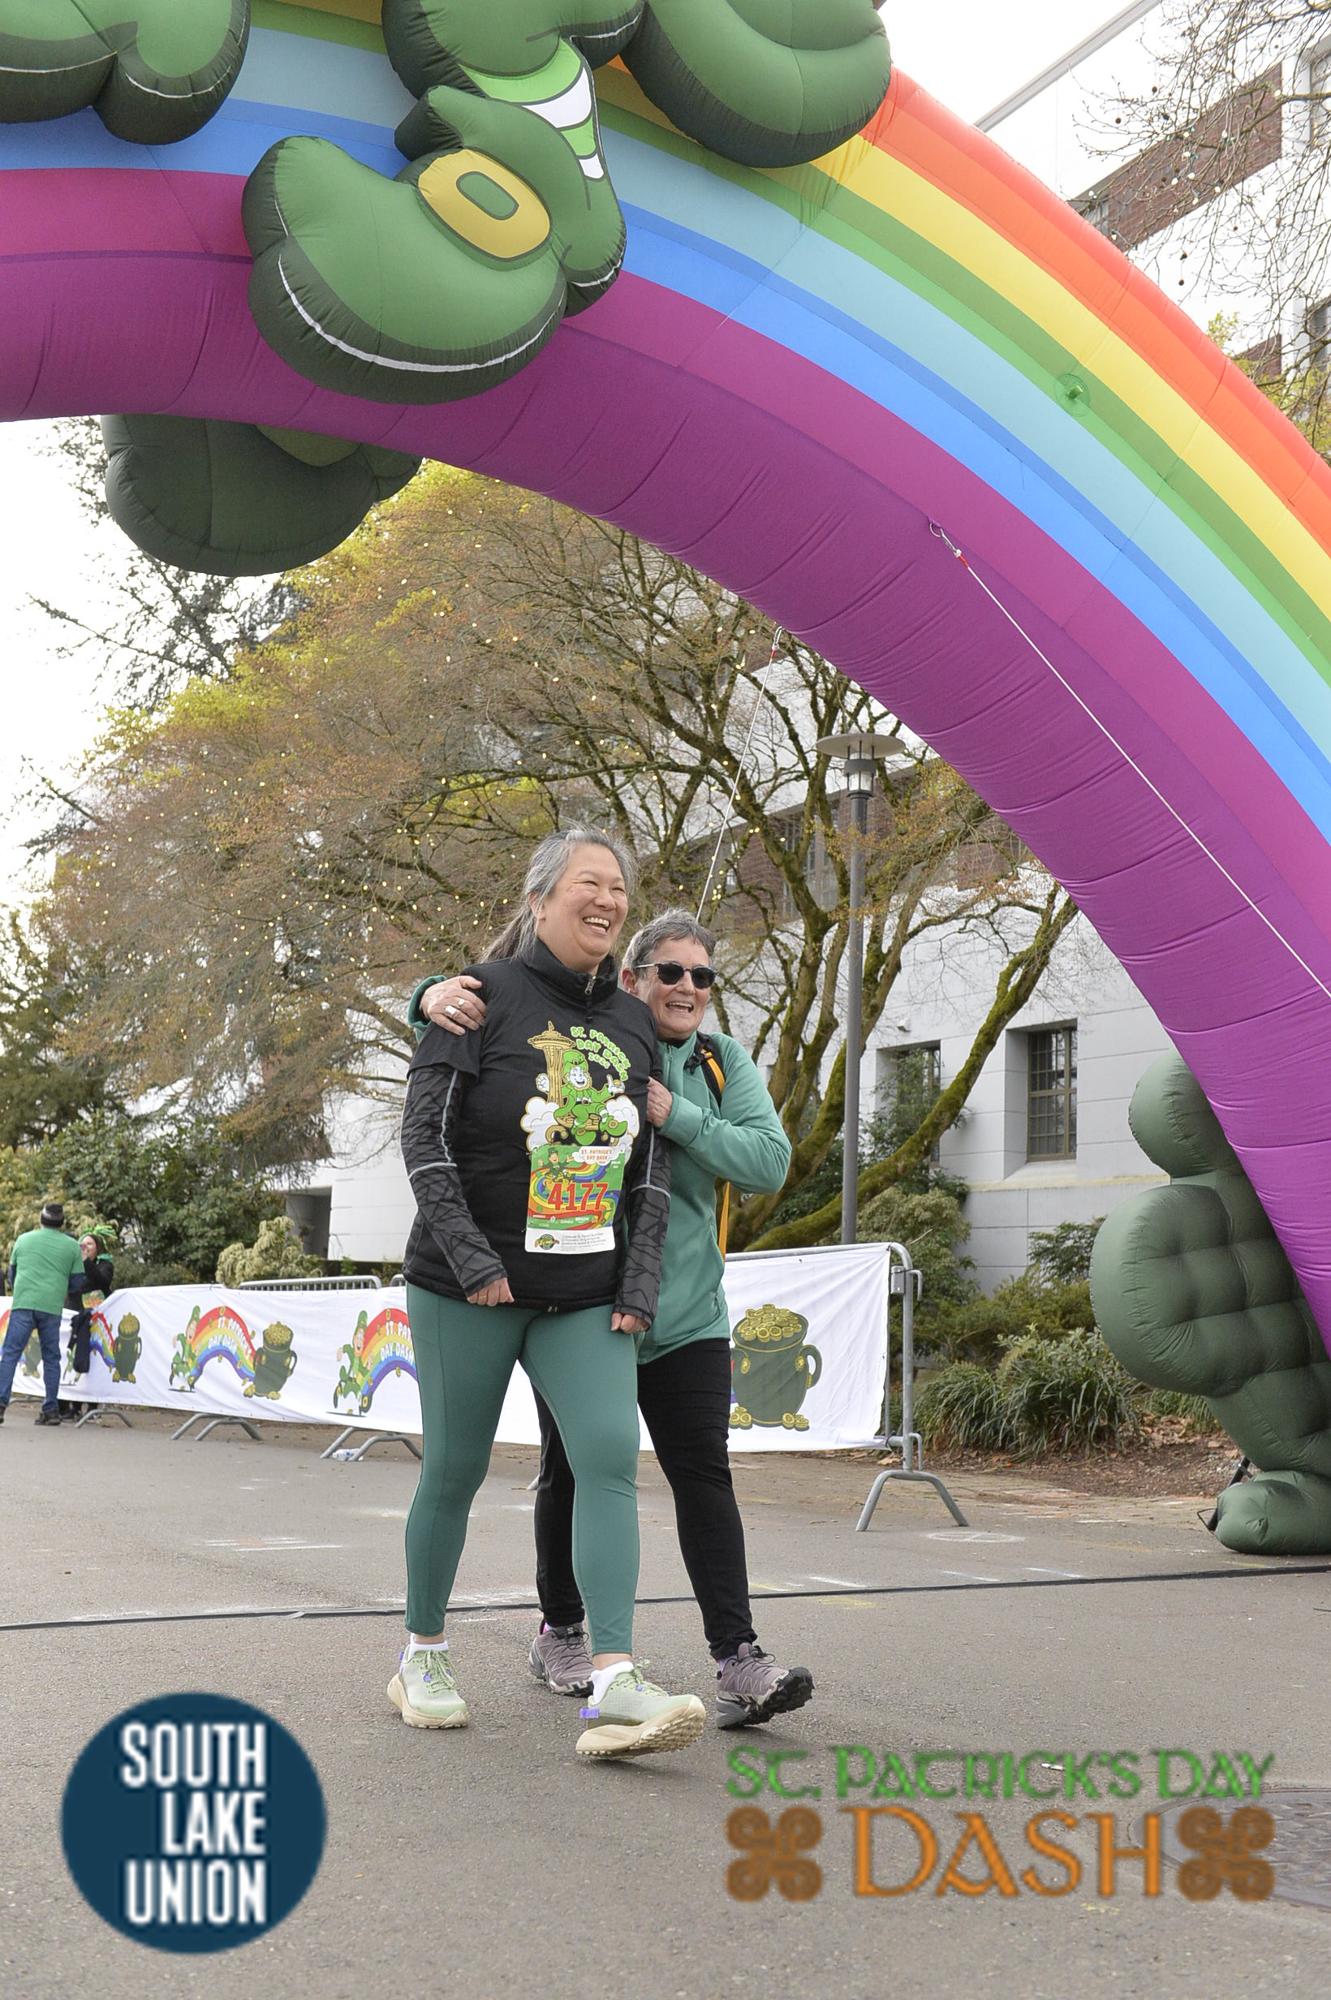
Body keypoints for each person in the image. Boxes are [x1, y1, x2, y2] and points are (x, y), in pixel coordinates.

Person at [413, 909, 816, 1730]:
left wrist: (679, 1114)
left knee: (700, 1475)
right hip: (582, 1300)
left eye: (702, 976)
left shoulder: (716, 1062)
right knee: (570, 1469)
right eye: (670, 972)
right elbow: (493, 1024)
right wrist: (424, 994)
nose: (687, 988)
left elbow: (768, 1161)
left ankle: (736, 1657)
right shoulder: (594, 1037)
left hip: (682, 1315)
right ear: (631, 980)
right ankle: (560, 1632)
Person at [394, 828, 704, 1760]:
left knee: (608, 1460)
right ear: (538, 900)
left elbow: (649, 1168)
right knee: (454, 1469)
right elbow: (424, 1139)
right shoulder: (475, 999)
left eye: (617, 887)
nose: (606, 900)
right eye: (587, 884)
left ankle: (613, 1679)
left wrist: (637, 1284)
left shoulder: (634, 1021)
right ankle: (422, 1654)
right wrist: (473, 1261)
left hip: (585, 1292)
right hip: (469, 1289)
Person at [0, 1201, 87, 1427]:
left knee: (10, 1354)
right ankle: (51, 1410)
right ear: (62, 1223)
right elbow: (78, 1283)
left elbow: (12, 1274)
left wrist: (23, 1289)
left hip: (24, 1303)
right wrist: (59, 1288)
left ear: (41, 1219)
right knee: (51, 1358)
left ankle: (0, 1404)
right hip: (51, 1307)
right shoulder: (72, 1247)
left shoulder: (23, 1240)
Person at [65, 1232, 115, 1416]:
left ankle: (93, 1406)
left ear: (97, 1247)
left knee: (94, 1358)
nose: (85, 1247)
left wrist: (86, 1261)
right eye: (82, 1244)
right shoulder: (74, 1265)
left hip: (96, 1318)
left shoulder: (105, 1265)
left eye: (90, 1244)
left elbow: (102, 1282)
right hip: (77, 1315)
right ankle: (74, 1405)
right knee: (76, 1357)